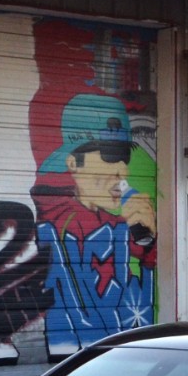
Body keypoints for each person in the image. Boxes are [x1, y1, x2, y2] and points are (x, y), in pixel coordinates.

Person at [30, 93, 156, 353]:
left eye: (124, 157)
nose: (124, 171)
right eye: (110, 156)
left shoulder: (117, 222)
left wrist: (148, 240)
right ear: (73, 163)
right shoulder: (57, 218)